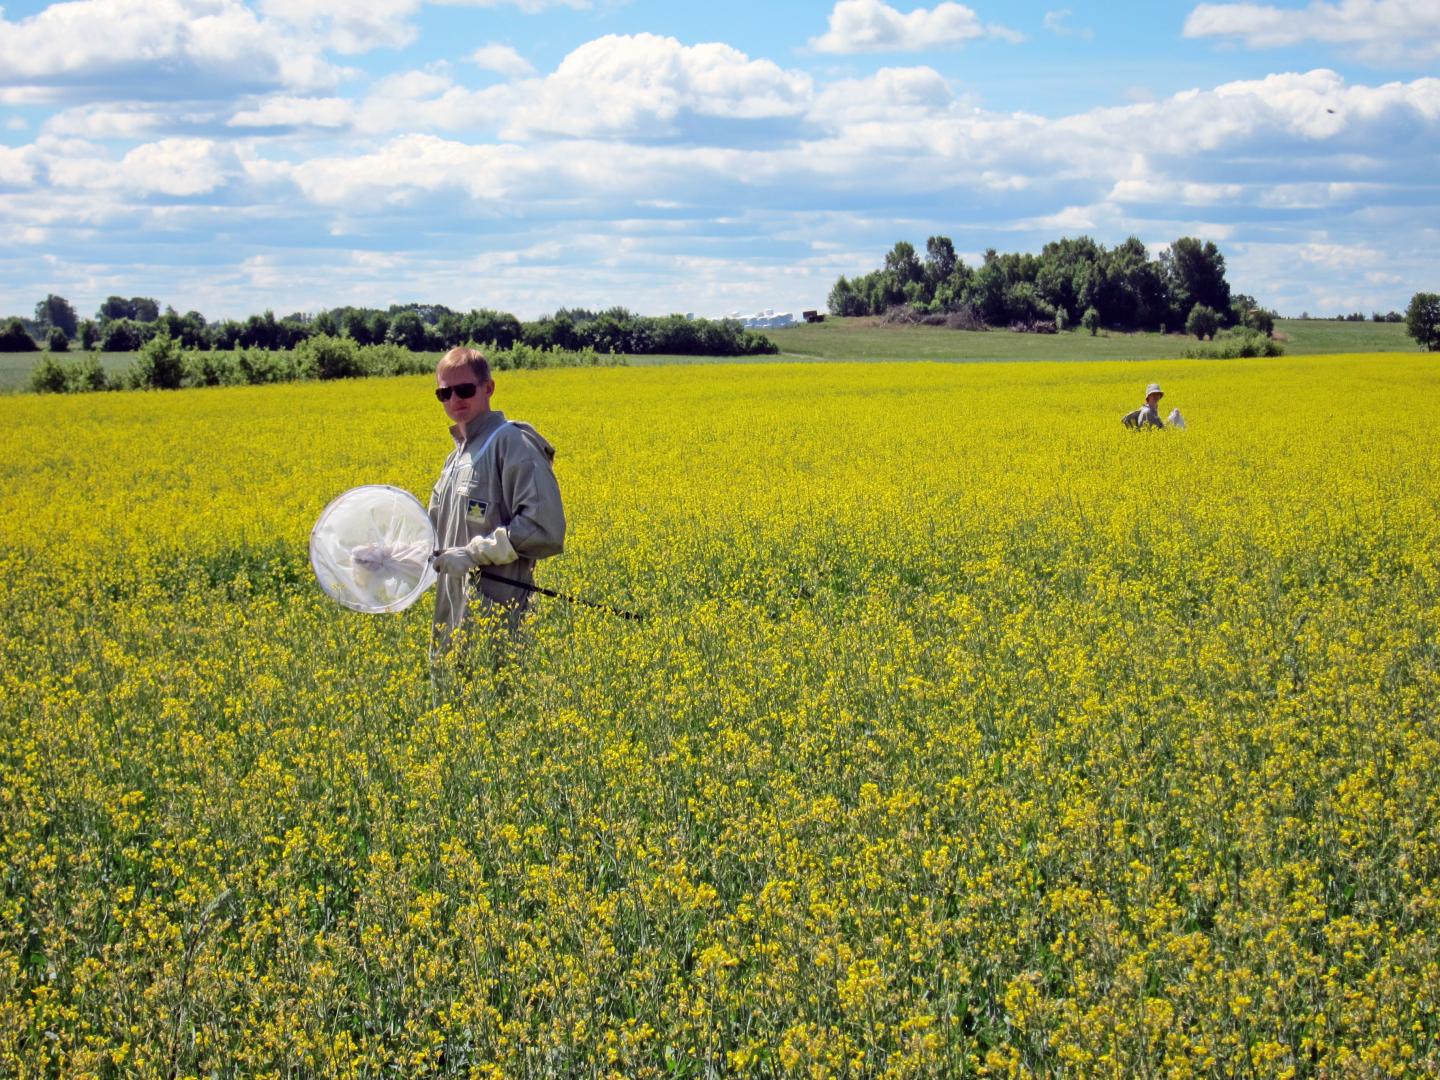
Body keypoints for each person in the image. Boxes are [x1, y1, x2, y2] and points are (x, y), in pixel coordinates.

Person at [428, 347, 565, 658]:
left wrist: (473, 554)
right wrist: (390, 556)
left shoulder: (511, 442)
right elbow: (432, 538)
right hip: (450, 621)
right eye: (444, 393)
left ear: (488, 388)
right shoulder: (455, 459)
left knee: (496, 701)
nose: (454, 399)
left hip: (496, 622)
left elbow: (544, 529)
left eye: (464, 389)